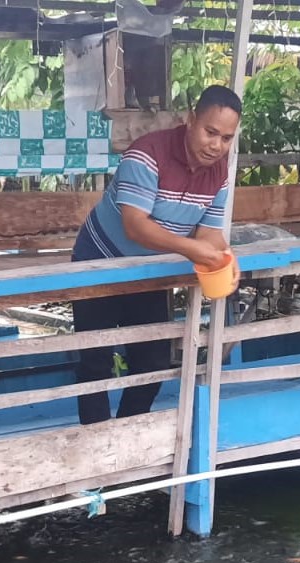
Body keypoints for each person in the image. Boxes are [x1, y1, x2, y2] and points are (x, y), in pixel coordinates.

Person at [71, 84, 242, 425]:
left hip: (148, 271)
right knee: (95, 361)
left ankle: (129, 432)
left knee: (152, 361)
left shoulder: (219, 172)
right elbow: (136, 226)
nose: (217, 146)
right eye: (210, 132)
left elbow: (209, 233)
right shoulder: (146, 155)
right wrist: (193, 249)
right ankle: (95, 443)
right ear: (190, 119)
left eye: (226, 138)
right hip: (99, 262)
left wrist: (225, 253)